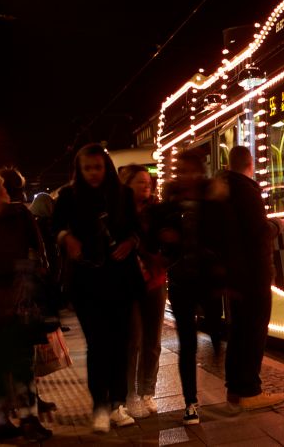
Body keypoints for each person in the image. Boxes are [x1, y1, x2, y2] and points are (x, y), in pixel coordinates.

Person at [52, 143, 142, 433]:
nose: (93, 173)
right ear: (79, 170)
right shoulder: (68, 196)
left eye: (97, 167)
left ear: (106, 168)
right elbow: (54, 228)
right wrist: (67, 237)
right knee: (97, 343)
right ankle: (100, 406)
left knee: (119, 342)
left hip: (120, 279)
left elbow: (138, 229)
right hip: (87, 281)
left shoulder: (123, 195)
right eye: (87, 168)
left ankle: (117, 403)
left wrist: (131, 242)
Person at [151, 151, 225, 425]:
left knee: (216, 327)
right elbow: (154, 232)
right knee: (187, 343)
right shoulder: (169, 205)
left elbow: (222, 233)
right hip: (181, 280)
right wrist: (164, 238)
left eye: (190, 170)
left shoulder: (212, 200)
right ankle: (190, 402)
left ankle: (217, 350)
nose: (185, 176)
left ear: (200, 172)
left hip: (208, 278)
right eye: (180, 171)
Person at [209, 146, 284, 411]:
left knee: (239, 332)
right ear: (250, 164)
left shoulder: (223, 190)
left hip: (234, 275)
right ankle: (250, 391)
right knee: (253, 332)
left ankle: (235, 391)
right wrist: (277, 225)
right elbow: (258, 231)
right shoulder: (246, 190)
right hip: (253, 274)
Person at [0, 175, 53, 443]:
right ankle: (29, 421)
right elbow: (39, 251)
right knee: (23, 365)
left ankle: (0, 424)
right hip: (19, 301)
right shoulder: (19, 213)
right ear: (1, 192)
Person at [120, 165, 165, 419]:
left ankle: (148, 391)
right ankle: (129, 394)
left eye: (148, 182)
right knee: (133, 340)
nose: (146, 186)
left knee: (153, 340)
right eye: (140, 182)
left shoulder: (156, 212)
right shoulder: (120, 213)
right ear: (128, 185)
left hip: (155, 280)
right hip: (129, 283)